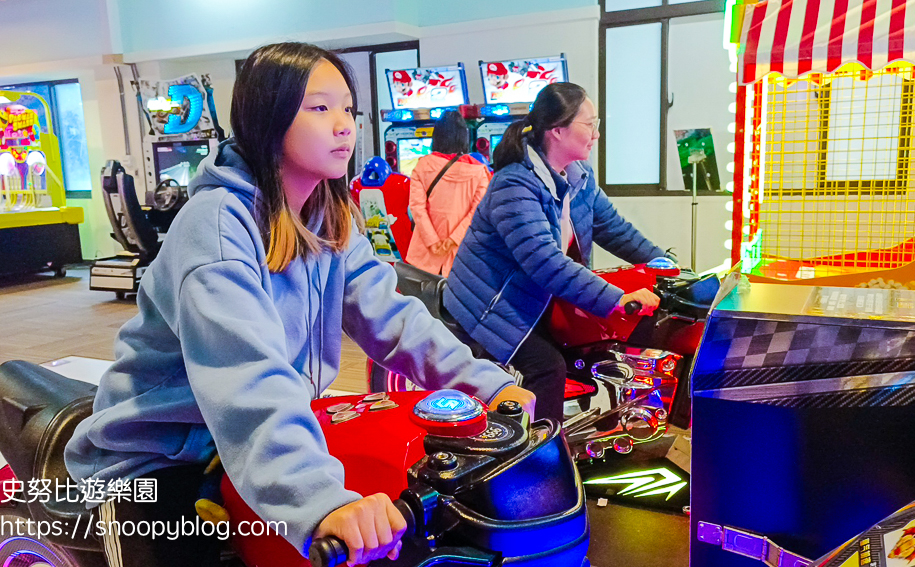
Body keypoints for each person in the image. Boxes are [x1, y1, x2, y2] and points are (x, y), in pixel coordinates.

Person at [64, 42, 534, 567]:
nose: (343, 126)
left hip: (242, 440)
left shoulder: (327, 212)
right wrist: (319, 501)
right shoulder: (218, 224)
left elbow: (393, 318)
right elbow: (246, 376)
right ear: (267, 116)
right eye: (319, 108)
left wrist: (488, 384)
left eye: (348, 110)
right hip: (155, 459)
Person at [443, 82, 667, 423]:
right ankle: (541, 464)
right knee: (548, 367)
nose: (596, 134)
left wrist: (665, 264)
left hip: (534, 297)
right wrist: (616, 298)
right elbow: (546, 263)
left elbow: (615, 229)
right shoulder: (514, 185)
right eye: (590, 124)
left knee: (599, 347)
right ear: (558, 130)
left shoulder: (580, 177)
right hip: (491, 303)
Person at [405, 110, 489, 276]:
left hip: (424, 257)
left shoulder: (422, 166)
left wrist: (433, 242)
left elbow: (417, 209)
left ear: (437, 136)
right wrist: (453, 240)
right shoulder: (480, 172)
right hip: (463, 256)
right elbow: (476, 214)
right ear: (464, 137)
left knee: (424, 301)